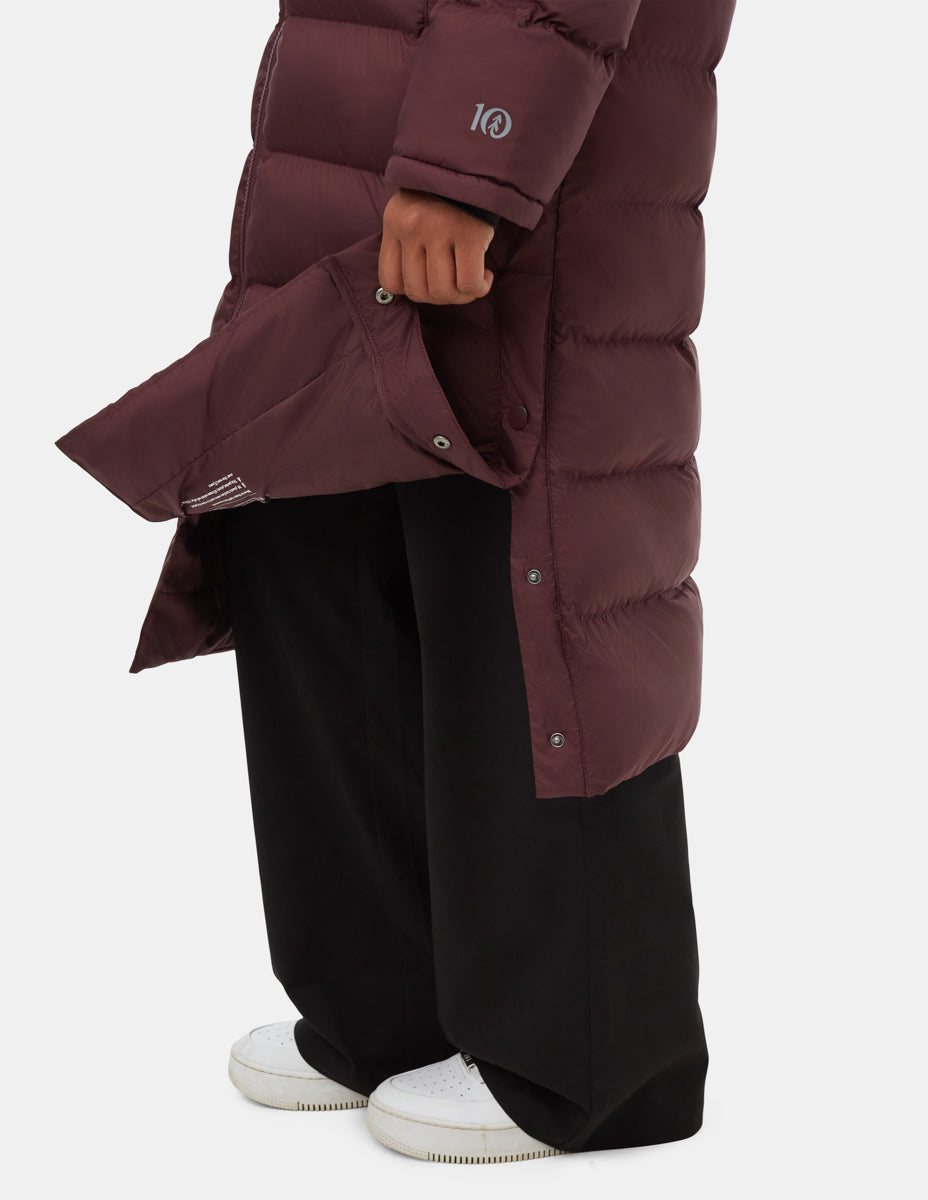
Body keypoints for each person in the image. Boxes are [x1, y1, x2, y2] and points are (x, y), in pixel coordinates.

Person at [58, 0, 736, 1165]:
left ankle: (580, 1058)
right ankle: (384, 1013)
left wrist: (473, 159)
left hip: (516, 176)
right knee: (319, 545)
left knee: (530, 582)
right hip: (345, 147)